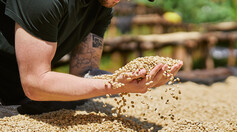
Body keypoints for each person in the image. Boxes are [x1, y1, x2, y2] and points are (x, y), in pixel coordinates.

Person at [0, 0, 183, 114]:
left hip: (16, 95)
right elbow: (35, 83)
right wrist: (115, 85)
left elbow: (85, 72)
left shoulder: (102, 6)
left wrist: (131, 79)